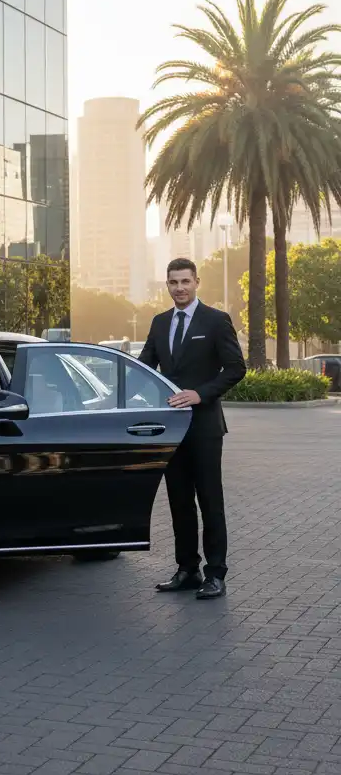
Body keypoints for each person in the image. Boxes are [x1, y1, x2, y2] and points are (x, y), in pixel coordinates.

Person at [139, 257, 246, 599]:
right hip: (171, 429)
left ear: (197, 282)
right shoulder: (159, 323)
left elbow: (235, 368)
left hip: (204, 428)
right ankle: (187, 569)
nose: (180, 288)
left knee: (210, 501)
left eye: (185, 281)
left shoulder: (216, 321)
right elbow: (144, 369)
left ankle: (215, 574)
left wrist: (200, 394)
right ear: (167, 285)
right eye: (173, 282)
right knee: (179, 501)